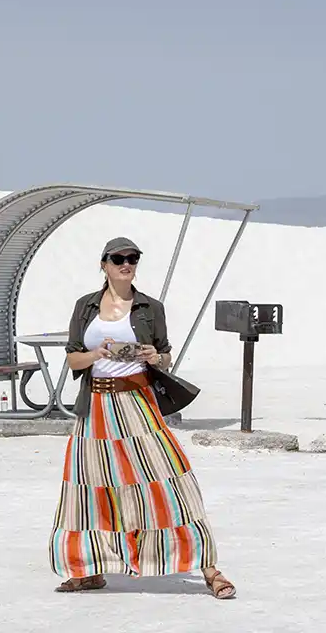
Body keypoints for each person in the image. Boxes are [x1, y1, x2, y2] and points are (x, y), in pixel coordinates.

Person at [48, 236, 236, 599]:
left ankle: (208, 566)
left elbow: (165, 356)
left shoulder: (150, 307)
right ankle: (87, 568)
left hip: (138, 401)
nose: (126, 264)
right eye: (118, 258)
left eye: (132, 258)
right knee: (91, 487)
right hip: (97, 406)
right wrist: (97, 353)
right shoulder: (85, 306)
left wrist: (154, 356)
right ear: (103, 264)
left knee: (168, 479)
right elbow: (72, 358)